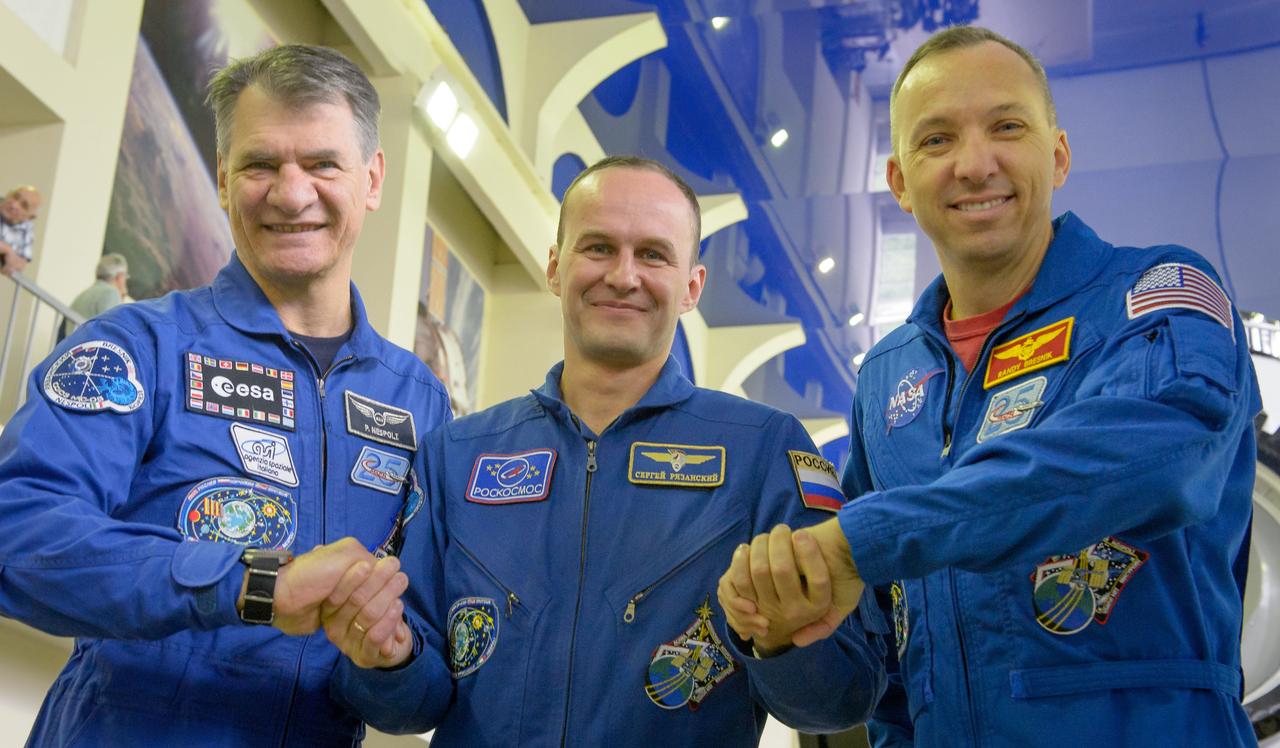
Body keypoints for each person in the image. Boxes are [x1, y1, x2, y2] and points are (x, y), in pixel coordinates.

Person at [719, 26, 1262, 746]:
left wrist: (860, 541)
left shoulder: (1153, 296)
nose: (975, 165)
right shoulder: (888, 380)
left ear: (1058, 154)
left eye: (1006, 127)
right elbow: (861, 690)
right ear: (900, 183)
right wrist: (783, 636)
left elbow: (1163, 456)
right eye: (937, 140)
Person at [324, 156, 887, 746]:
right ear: (554, 266)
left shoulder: (765, 452)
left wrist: (781, 640)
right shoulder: (455, 456)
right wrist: (386, 657)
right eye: (597, 247)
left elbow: (845, 696)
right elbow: (409, 705)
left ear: (692, 286)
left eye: (653, 254)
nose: (623, 275)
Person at [0, 44, 451, 746]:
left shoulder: (418, 402)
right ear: (221, 179)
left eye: (323, 164)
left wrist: (388, 660)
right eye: (261, 164)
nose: (291, 193)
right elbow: (19, 533)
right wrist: (253, 582)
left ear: (372, 178)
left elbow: (414, 697)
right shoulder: (138, 348)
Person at [60, 252, 130, 340]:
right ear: (119, 277)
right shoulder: (111, 293)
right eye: (125, 277)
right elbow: (111, 332)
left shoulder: (86, 293)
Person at [0, 184, 41, 276]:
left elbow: (20, 264)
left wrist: (11, 257)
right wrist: (8, 250)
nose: (14, 205)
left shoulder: (27, 227)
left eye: (24, 205)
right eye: (15, 196)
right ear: (8, 194)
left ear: (29, 217)